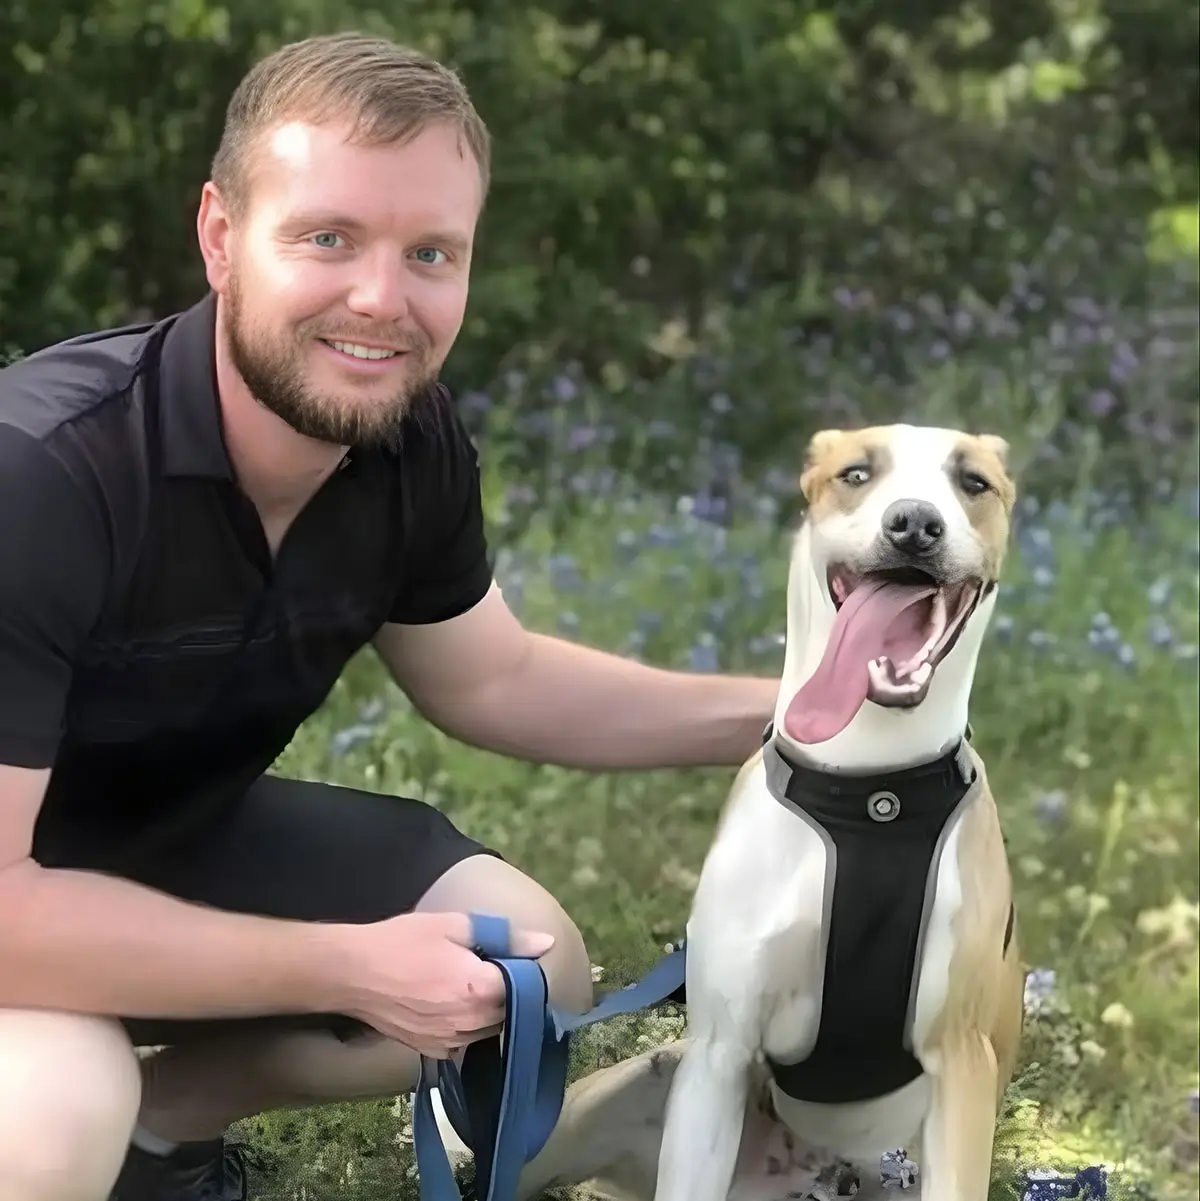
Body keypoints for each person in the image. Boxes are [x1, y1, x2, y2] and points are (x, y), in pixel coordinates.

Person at [0, 30, 778, 1201]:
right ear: (221, 236)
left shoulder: (404, 445)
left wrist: (801, 716)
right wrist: (348, 965)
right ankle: (97, 1121)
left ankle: (165, 1130)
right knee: (58, 1105)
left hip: (156, 836)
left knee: (531, 969)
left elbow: (493, 679)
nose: (381, 299)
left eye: (430, 252)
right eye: (328, 237)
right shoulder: (41, 475)